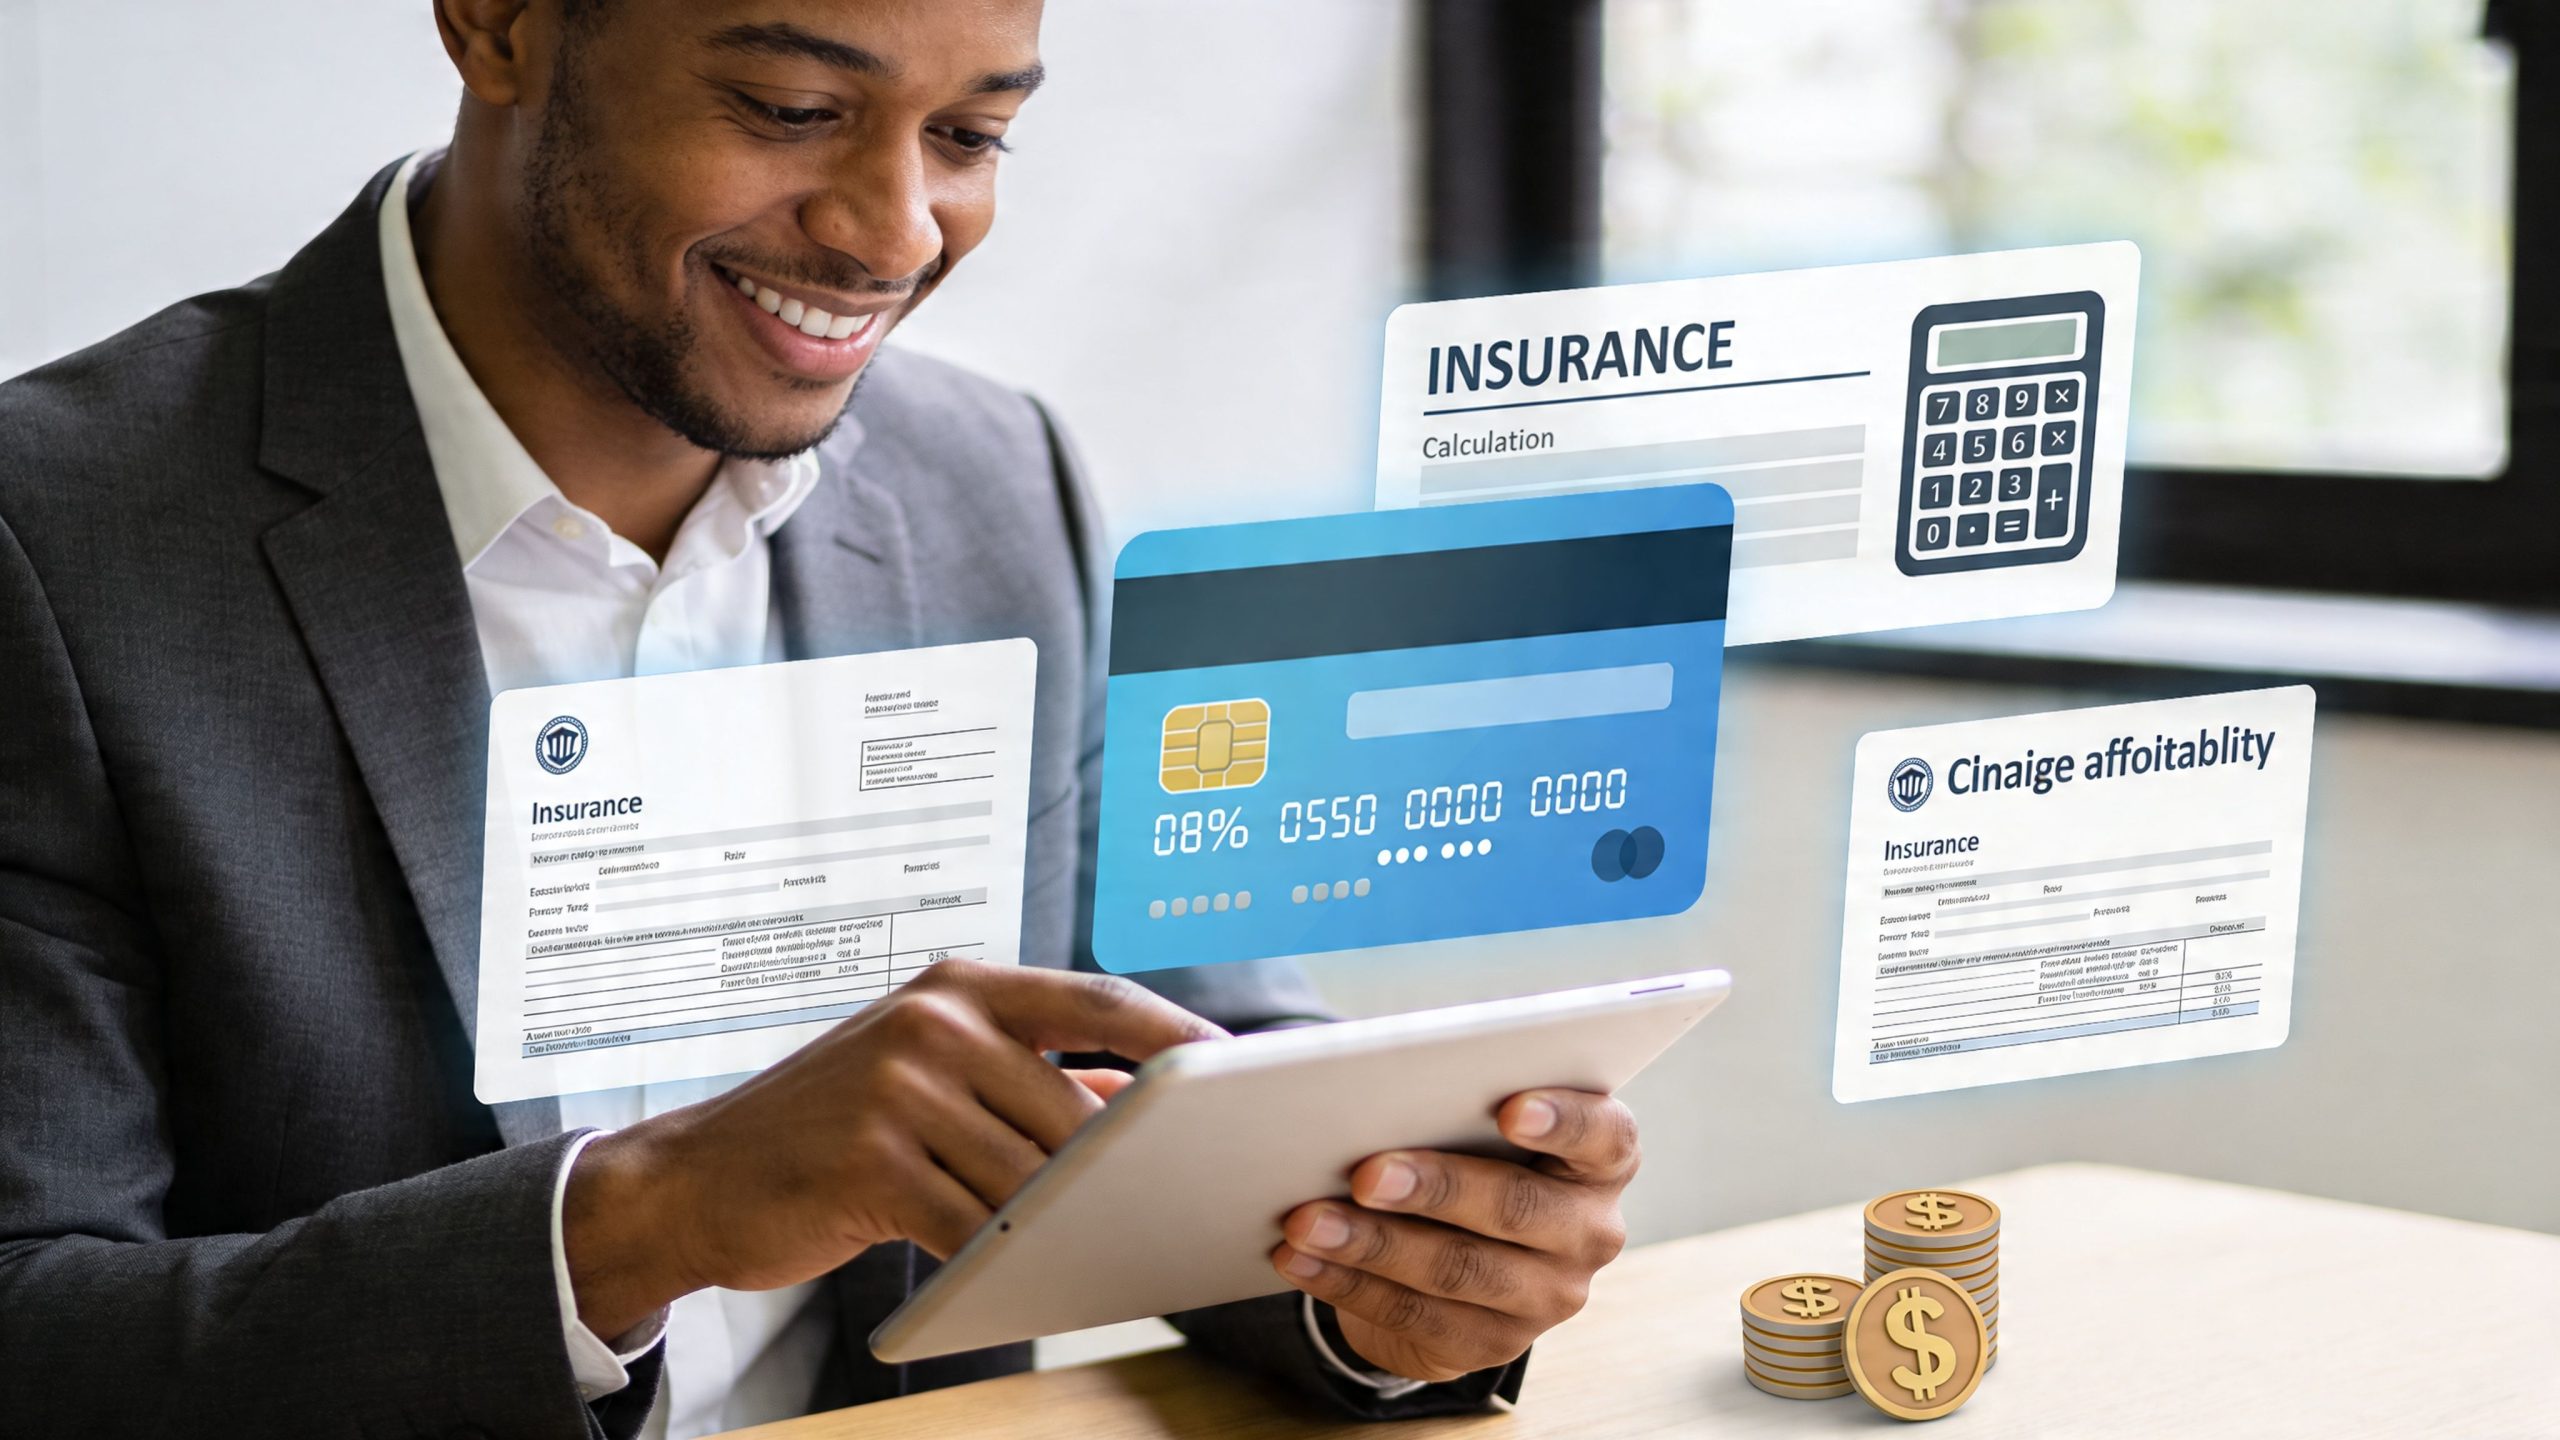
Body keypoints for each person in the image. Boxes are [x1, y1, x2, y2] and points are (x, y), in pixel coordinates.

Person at [0, 3, 1641, 1435]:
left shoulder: (995, 486)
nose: (892, 232)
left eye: (973, 133)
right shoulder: (61, 542)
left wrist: (1395, 1263)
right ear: (497, 22)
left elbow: (1168, 1073)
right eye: (790, 111)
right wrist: (643, 1222)